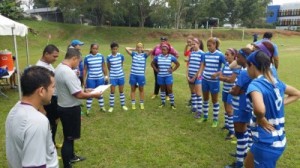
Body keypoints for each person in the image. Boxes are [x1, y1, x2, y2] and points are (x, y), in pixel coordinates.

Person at [244, 51, 300, 168]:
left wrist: (261, 118)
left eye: (246, 66)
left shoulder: (255, 85)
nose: (246, 69)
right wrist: (278, 104)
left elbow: (259, 109)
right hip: (275, 139)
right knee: (248, 164)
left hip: (267, 143)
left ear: (252, 65)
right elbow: (296, 94)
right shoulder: (276, 82)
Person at [55, 48, 102, 168]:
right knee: (68, 139)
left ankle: (71, 157)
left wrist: (86, 90)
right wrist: (93, 95)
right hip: (70, 109)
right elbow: (78, 95)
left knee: (69, 136)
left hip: (63, 106)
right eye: (79, 61)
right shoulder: (68, 72)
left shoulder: (59, 67)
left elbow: (72, 89)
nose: (79, 64)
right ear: (74, 58)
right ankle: (67, 165)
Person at [6, 66, 58, 168]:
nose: (54, 91)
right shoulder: (37, 121)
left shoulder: (15, 110)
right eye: (53, 87)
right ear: (42, 91)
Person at [226, 48, 253, 168]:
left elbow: (236, 91)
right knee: (245, 132)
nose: (237, 59)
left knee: (240, 133)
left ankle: (239, 162)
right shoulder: (248, 70)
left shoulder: (245, 72)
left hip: (242, 106)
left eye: (239, 57)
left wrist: (233, 90)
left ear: (246, 58)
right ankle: (243, 155)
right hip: (244, 105)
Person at [36, 44, 61, 148]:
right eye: (54, 56)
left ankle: (52, 143)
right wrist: (41, 107)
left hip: (53, 98)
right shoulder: (39, 68)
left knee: (55, 121)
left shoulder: (48, 64)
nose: (55, 59)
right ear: (46, 54)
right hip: (47, 101)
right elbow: (38, 90)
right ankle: (49, 146)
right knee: (49, 124)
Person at [197, 37, 226, 127]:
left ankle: (215, 120)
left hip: (214, 81)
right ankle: (205, 116)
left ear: (215, 45)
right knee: (205, 99)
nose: (208, 47)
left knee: (214, 100)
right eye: (207, 46)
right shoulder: (205, 54)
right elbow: (203, 65)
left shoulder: (220, 55)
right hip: (205, 79)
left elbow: (227, 66)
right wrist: (200, 73)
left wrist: (217, 73)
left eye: (210, 46)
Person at [212, 48, 239, 140]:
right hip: (225, 89)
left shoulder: (236, 65)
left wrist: (222, 78)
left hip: (232, 90)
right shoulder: (226, 64)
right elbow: (223, 74)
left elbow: (232, 80)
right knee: (226, 109)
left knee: (229, 110)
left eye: (227, 54)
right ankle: (228, 125)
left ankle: (233, 131)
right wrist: (220, 75)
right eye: (225, 54)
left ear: (233, 55)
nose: (225, 56)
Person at [151, 42, 180, 109]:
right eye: (162, 49)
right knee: (162, 89)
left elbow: (178, 64)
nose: (163, 51)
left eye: (165, 50)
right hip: (160, 76)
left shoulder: (171, 57)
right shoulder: (158, 57)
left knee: (169, 89)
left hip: (168, 76)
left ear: (168, 50)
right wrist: (156, 70)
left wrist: (172, 70)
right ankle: (163, 103)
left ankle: (172, 104)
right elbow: (152, 64)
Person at [83, 43, 108, 115]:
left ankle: (102, 107)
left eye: (96, 49)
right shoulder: (87, 57)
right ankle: (88, 109)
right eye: (94, 48)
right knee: (90, 93)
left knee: (100, 93)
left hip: (100, 78)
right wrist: (84, 80)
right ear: (91, 49)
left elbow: (104, 66)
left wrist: (106, 76)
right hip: (91, 79)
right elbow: (85, 69)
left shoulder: (101, 56)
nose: (95, 50)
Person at [125, 42, 151, 110]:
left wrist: (143, 49)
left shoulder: (144, 55)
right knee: (133, 90)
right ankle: (133, 104)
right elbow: (126, 48)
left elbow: (151, 50)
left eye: (141, 47)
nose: (139, 48)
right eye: (138, 47)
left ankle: (141, 103)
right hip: (133, 75)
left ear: (143, 48)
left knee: (141, 89)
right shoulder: (134, 54)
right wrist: (135, 49)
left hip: (141, 76)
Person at [107, 42, 128, 112]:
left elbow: (121, 64)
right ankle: (111, 106)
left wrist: (119, 72)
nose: (115, 50)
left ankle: (123, 105)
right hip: (113, 77)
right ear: (111, 49)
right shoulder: (109, 57)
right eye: (113, 49)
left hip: (120, 76)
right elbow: (109, 67)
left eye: (116, 49)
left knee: (121, 91)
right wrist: (113, 73)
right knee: (112, 92)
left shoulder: (121, 56)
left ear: (118, 49)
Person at [186, 38, 205, 118]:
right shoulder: (191, 53)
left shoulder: (202, 53)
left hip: (198, 76)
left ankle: (199, 111)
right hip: (190, 75)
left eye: (194, 44)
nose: (193, 46)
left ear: (199, 44)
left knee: (198, 93)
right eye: (192, 44)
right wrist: (187, 74)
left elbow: (201, 66)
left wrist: (195, 76)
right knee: (193, 92)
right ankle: (194, 107)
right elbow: (188, 64)